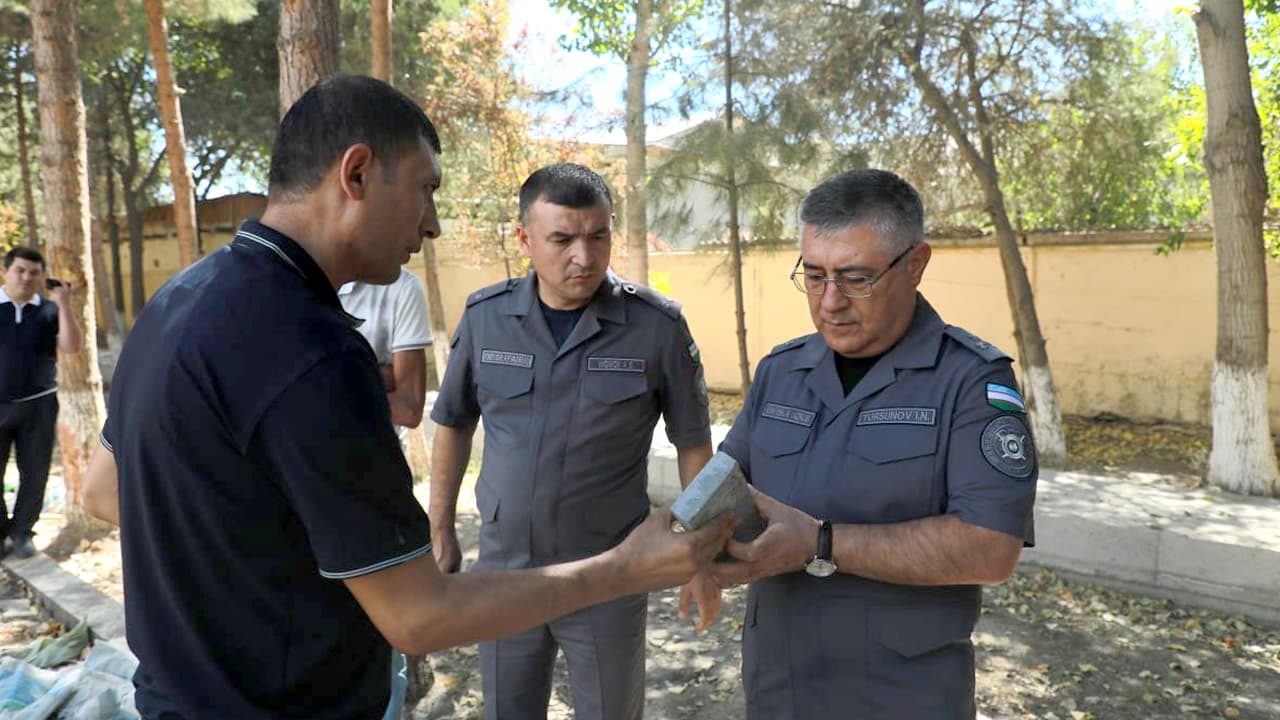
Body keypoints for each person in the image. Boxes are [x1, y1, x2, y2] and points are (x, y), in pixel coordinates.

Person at [80, 75, 732, 720]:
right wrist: (623, 568)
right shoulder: (314, 352)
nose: (434, 224)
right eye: (425, 190)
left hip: (176, 696)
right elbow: (417, 617)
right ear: (356, 175)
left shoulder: (179, 299)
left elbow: (104, 490)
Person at [710, 169, 1038, 719]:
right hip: (778, 685)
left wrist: (821, 544)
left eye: (855, 278)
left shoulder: (972, 381)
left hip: (899, 695)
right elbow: (727, 484)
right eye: (813, 276)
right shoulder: (781, 371)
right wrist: (697, 543)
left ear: (915, 264)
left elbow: (991, 546)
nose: (829, 302)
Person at [428, 162, 720, 720]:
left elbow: (694, 447)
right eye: (562, 239)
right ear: (525, 239)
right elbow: (453, 421)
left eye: (598, 236)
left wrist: (702, 555)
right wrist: (441, 525)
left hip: (609, 574)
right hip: (505, 575)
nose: (583, 257)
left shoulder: (656, 327)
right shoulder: (486, 319)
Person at [0, 246, 83, 558]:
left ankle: (22, 532)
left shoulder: (49, 311)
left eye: (34, 272)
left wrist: (64, 305)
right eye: (20, 270)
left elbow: (72, 347)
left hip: (39, 404)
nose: (26, 277)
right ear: (5, 271)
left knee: (35, 471)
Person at [338, 267, 432, 438]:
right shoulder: (288, 282)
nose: (417, 243)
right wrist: (379, 376)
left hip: (372, 455)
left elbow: (408, 410)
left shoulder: (402, 287)